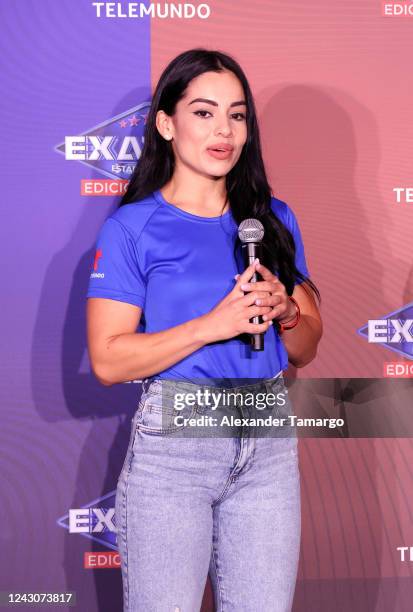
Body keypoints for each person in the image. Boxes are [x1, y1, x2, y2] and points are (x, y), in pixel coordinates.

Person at [86, 48, 322, 612]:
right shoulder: (132, 228)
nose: (223, 130)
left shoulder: (272, 219)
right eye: (203, 112)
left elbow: (306, 348)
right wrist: (212, 326)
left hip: (266, 440)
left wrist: (287, 311)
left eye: (237, 115)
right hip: (176, 449)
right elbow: (109, 360)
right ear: (166, 124)